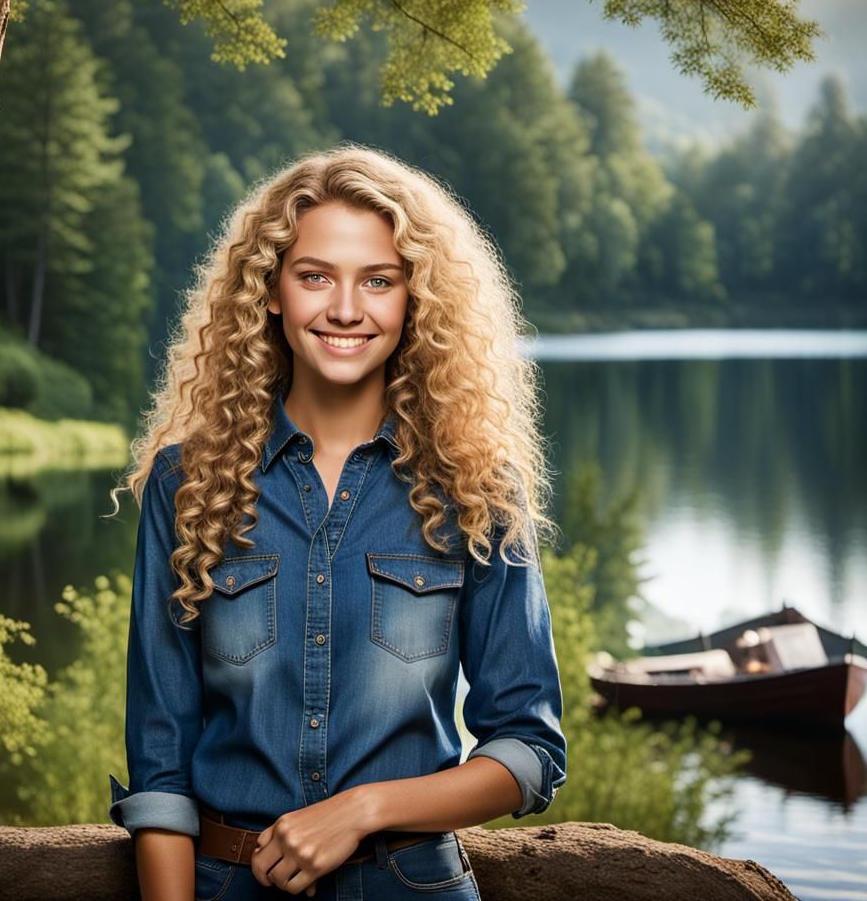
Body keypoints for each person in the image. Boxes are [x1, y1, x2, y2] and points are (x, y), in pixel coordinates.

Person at [106, 144, 567, 900]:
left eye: (378, 281)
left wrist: (365, 808)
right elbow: (161, 757)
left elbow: (529, 748)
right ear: (271, 291)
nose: (346, 309)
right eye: (315, 275)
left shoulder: (477, 488)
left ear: (414, 299)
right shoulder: (186, 482)